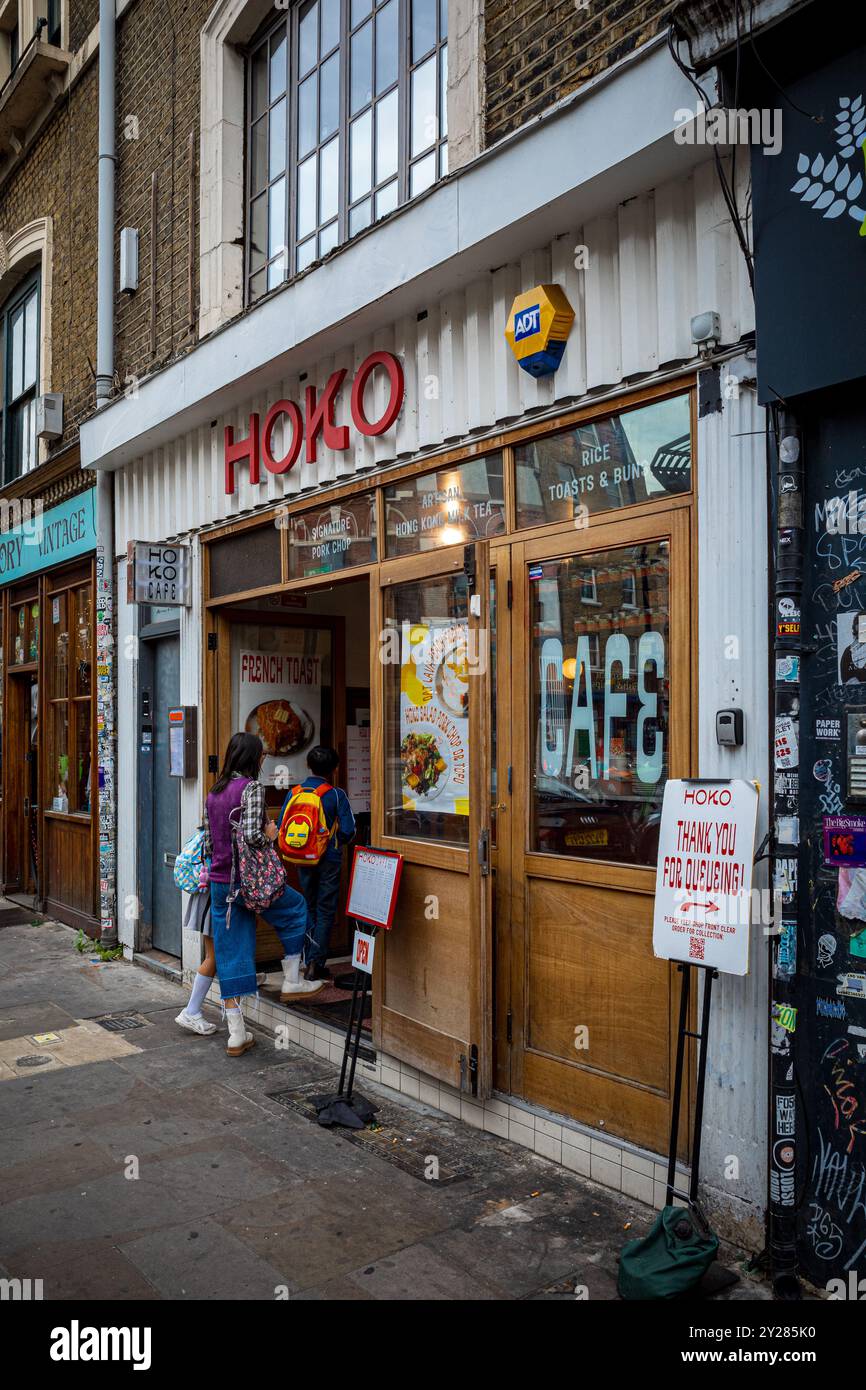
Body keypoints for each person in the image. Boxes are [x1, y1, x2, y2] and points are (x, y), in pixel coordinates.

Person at [204, 732, 324, 1057]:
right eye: (261, 757)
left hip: (221, 884)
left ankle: (236, 1034)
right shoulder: (252, 788)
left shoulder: (214, 793)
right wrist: (271, 834)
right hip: (252, 880)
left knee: (230, 952)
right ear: (254, 759)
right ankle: (292, 980)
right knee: (296, 908)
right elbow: (254, 836)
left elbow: (209, 841)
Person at [282, 745, 356, 982]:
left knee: (309, 906)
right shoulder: (335, 795)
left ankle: (306, 958)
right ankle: (316, 962)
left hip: (302, 858)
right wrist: (333, 841)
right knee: (325, 909)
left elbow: (284, 824)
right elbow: (348, 830)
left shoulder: (294, 793)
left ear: (308, 765)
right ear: (335, 769)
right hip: (329, 859)